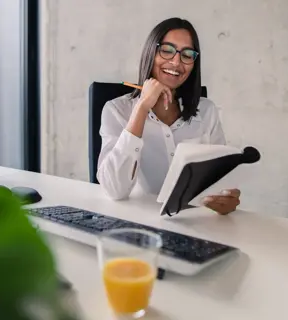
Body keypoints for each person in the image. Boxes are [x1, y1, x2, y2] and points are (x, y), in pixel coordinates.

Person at [96, 17, 241, 215]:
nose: (176, 62)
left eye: (187, 54)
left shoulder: (207, 111)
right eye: (167, 50)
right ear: (151, 52)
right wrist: (142, 108)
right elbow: (114, 189)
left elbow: (219, 180)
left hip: (194, 223)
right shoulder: (116, 110)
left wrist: (225, 199)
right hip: (139, 224)